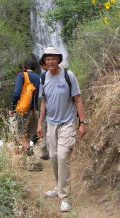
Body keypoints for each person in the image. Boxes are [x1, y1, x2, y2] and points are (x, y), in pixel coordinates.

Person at [37, 47, 87, 213]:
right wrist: (39, 124)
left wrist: (82, 122)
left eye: (53, 58)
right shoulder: (43, 77)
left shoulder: (68, 75)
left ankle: (64, 197)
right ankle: (59, 187)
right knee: (52, 156)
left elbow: (78, 99)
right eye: (47, 59)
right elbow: (43, 102)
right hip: (51, 123)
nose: (50, 62)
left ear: (58, 59)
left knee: (63, 156)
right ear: (44, 61)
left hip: (68, 122)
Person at [8, 57, 40, 154]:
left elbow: (17, 93)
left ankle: (31, 157)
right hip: (35, 110)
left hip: (23, 110)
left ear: (24, 67)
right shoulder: (39, 77)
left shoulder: (22, 75)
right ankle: (29, 156)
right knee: (30, 135)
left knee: (21, 135)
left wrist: (11, 107)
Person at [39, 59, 50, 160]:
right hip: (49, 110)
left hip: (48, 111)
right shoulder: (43, 77)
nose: (42, 68)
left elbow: (43, 100)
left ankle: (46, 151)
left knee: (46, 130)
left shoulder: (43, 76)